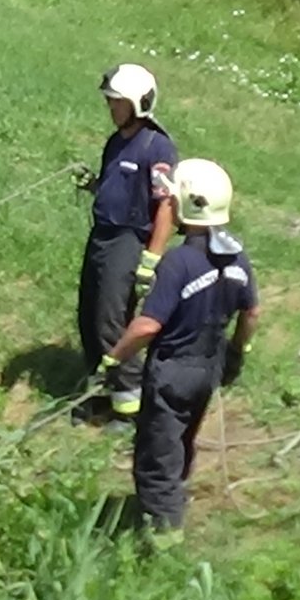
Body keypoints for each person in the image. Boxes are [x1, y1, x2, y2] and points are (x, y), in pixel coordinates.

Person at [105, 158, 260, 537]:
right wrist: (237, 352)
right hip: (209, 369)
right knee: (182, 440)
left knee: (156, 456)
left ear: (185, 205)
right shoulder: (237, 258)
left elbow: (148, 325)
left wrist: (114, 357)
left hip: (173, 372)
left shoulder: (179, 262)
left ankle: (163, 538)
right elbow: (252, 312)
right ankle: (176, 495)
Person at [77, 63, 179, 434]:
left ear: (139, 103)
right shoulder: (116, 141)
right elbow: (116, 184)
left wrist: (150, 259)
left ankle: (129, 405)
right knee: (89, 314)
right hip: (102, 235)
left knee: (112, 321)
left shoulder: (158, 147)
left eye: (117, 102)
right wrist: (94, 186)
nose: (111, 108)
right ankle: (99, 393)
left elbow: (166, 205)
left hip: (128, 241)